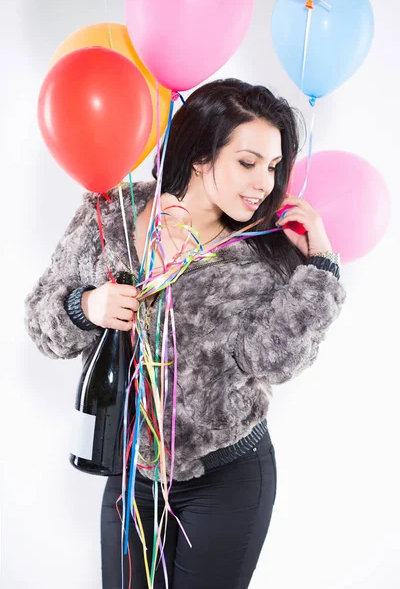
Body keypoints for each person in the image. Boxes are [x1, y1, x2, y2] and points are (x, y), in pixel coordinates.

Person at [24, 78, 347, 589]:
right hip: (131, 472)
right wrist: (86, 306)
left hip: (228, 476)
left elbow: (274, 361)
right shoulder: (113, 212)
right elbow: (42, 324)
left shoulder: (263, 248)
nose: (264, 182)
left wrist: (323, 265)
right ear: (200, 154)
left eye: (272, 166)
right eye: (247, 162)